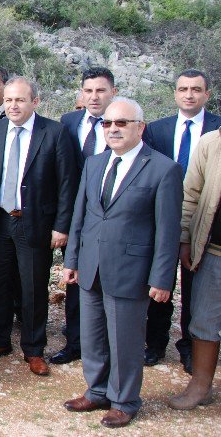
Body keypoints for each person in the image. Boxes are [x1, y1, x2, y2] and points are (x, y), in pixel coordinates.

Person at [63, 98, 182, 428]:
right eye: (108, 124)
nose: (113, 129)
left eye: (121, 123)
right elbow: (81, 216)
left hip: (132, 271)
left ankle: (125, 400)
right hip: (91, 265)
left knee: (125, 340)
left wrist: (162, 278)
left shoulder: (163, 169)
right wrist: (71, 259)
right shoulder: (95, 164)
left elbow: (168, 230)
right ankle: (97, 389)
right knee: (93, 335)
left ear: (140, 127)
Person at [0, 76, 78, 377]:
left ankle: (33, 348)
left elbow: (66, 184)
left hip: (35, 222)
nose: (13, 105)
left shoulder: (54, 132)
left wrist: (61, 226)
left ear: (35, 101)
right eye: (8, 100)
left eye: (19, 100)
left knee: (33, 288)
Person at [142, 69, 221, 371]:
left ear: (207, 95)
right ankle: (156, 343)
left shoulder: (217, 129)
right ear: (175, 93)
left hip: (202, 221)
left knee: (194, 286)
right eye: (183, 89)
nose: (189, 94)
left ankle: (190, 347)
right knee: (159, 282)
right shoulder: (157, 129)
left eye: (196, 89)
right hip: (161, 218)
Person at [52, 66, 117, 365]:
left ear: (113, 92)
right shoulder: (68, 122)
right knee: (75, 279)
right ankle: (75, 341)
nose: (94, 97)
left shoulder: (123, 124)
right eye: (88, 91)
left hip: (112, 218)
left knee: (110, 280)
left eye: (100, 90)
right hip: (75, 218)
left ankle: (108, 344)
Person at [169, 126, 221, 409]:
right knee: (204, 321)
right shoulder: (211, 143)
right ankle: (200, 386)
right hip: (213, 251)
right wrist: (185, 238)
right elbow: (191, 194)